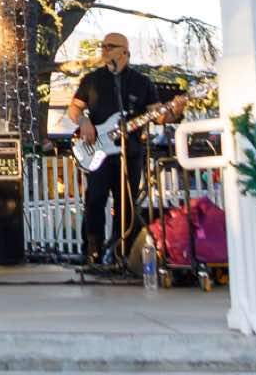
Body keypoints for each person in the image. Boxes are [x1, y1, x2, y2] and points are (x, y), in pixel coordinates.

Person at [65, 33, 186, 269]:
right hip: (99, 150)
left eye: (110, 46)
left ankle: (121, 253)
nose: (104, 50)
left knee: (126, 204)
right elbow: (74, 108)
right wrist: (84, 121)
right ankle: (92, 251)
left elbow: (158, 116)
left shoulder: (141, 82)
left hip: (129, 152)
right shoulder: (92, 79)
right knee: (95, 199)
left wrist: (174, 111)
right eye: (103, 46)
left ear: (124, 52)